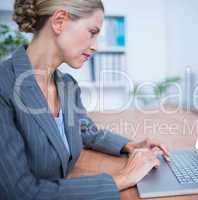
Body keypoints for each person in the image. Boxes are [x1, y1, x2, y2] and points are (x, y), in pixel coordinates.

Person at [0, 0, 170, 199]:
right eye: (92, 32)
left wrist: (130, 145)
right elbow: (20, 192)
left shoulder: (67, 85)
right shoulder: (5, 86)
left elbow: (85, 131)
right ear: (59, 21)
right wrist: (124, 177)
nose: (96, 46)